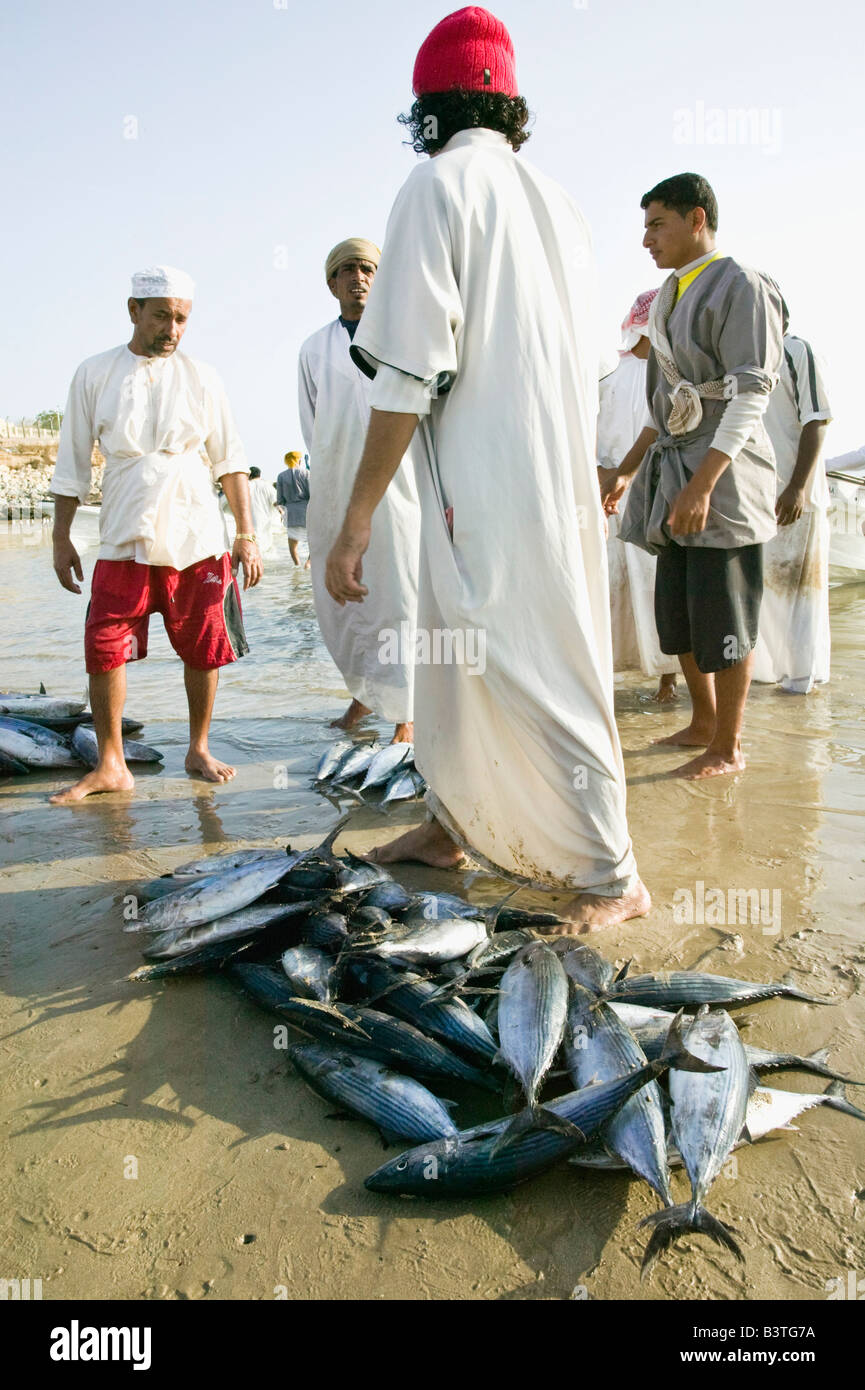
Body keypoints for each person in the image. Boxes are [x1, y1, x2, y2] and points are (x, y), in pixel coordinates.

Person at [325, 7, 648, 930]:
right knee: (453, 665)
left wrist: (354, 525)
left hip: (486, 480)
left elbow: (408, 370)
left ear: (429, 109)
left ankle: (610, 873)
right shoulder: (559, 201)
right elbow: (587, 361)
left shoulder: (433, 188)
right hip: (542, 469)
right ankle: (446, 822)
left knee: (536, 664)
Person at [49, 264, 262, 803]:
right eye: (163, 316)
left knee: (205, 644)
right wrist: (61, 537)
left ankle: (199, 747)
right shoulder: (94, 373)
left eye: (182, 319)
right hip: (123, 527)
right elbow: (71, 463)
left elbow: (230, 459)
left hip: (196, 530)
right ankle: (112, 763)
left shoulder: (204, 376)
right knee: (104, 645)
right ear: (133, 311)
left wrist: (247, 533)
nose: (172, 328)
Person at [604, 173, 784, 779]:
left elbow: (751, 393)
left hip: (721, 474)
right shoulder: (667, 296)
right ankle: (703, 721)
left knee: (725, 612)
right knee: (677, 609)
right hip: (672, 466)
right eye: (645, 227)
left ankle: (728, 747)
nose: (647, 239)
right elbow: (666, 405)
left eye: (658, 224)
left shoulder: (742, 285)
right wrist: (628, 474)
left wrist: (704, 483)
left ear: (697, 219)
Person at [299, 238, 420, 743]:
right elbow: (311, 423)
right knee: (343, 602)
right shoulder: (314, 348)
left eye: (368, 268)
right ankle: (364, 694)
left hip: (400, 489)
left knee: (399, 596)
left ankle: (407, 713)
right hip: (333, 490)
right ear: (331, 283)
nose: (358, 277)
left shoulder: (401, 338)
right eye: (346, 270)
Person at [597, 289, 678, 702]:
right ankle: (607, 680)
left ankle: (668, 679)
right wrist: (601, 472)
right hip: (607, 493)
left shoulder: (668, 370)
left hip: (650, 489)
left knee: (655, 586)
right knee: (612, 588)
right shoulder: (608, 369)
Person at [752, 309, 833, 693]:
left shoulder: (796, 351)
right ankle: (773, 679)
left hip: (797, 496)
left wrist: (798, 487)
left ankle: (801, 685)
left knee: (800, 593)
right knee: (766, 592)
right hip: (758, 499)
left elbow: (816, 420)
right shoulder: (746, 362)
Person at [275, 451, 310, 567]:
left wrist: (282, 509)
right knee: (312, 541)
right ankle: (308, 564)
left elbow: (279, 500)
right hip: (307, 510)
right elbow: (313, 494)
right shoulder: (307, 473)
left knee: (293, 544)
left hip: (290, 512)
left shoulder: (281, 476)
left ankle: (297, 565)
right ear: (299, 460)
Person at [247, 466, 277, 556]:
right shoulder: (268, 486)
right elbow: (276, 502)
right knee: (267, 544)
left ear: (249, 475)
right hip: (266, 520)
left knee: (255, 545)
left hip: (250, 520)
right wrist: (282, 513)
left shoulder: (247, 485)